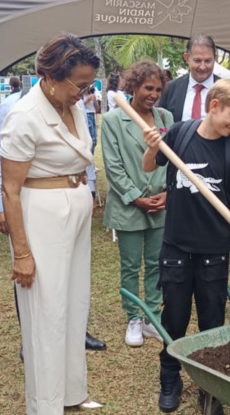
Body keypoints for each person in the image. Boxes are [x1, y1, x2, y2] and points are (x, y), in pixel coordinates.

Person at [0, 33, 103, 413]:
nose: (85, 93)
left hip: (74, 213)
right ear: (51, 77)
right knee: (46, 311)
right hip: (41, 216)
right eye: (80, 85)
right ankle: (45, 404)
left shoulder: (71, 106)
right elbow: (10, 190)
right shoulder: (25, 116)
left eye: (89, 85)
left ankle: (72, 391)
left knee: (74, 303)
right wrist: (22, 253)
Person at [142, 79, 230, 413]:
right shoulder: (181, 133)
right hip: (176, 248)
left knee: (212, 324)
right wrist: (151, 148)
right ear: (215, 105)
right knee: (174, 320)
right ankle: (170, 378)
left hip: (213, 251)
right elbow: (149, 166)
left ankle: (210, 388)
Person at [101, 59, 171, 347]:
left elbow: (172, 159)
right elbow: (113, 166)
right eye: (147, 88)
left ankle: (151, 317)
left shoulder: (165, 118)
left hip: (161, 204)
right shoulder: (113, 120)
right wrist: (136, 197)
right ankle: (133, 317)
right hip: (129, 206)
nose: (153, 94)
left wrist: (167, 193)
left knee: (157, 263)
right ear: (133, 87)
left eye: (158, 89)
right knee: (130, 266)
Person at [158, 34, 220, 123]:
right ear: (186, 58)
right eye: (197, 61)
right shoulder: (170, 89)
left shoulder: (227, 91)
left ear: (215, 58)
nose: (202, 67)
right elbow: (161, 125)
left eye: (207, 61)